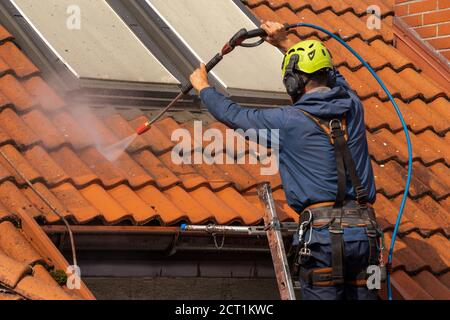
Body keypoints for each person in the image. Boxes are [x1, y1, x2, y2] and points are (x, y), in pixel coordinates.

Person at [189, 21, 382, 300]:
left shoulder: (286, 121)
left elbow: (235, 115)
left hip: (323, 242)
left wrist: (203, 87)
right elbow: (337, 79)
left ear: (292, 83)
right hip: (365, 236)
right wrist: (285, 42)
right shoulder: (354, 106)